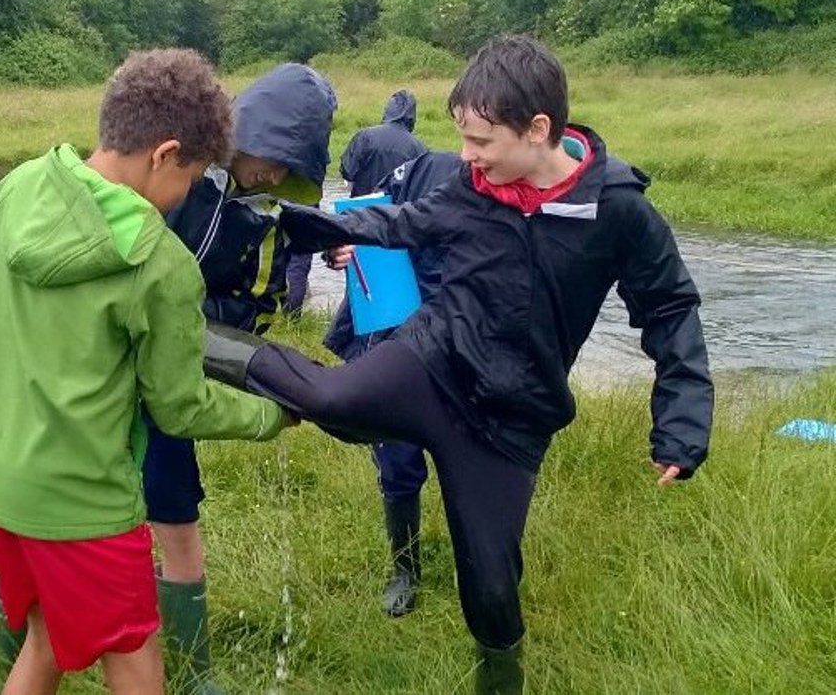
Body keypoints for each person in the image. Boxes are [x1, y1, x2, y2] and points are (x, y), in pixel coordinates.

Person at [204, 34, 714, 694]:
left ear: (538, 129)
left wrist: (682, 417)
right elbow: (403, 224)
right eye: (463, 139)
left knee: (492, 593)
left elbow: (670, 308)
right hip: (433, 359)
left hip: (510, 418)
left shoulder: (616, 210)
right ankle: (198, 341)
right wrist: (304, 221)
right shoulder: (472, 185)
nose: (466, 157)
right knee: (331, 401)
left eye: (481, 142)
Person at [0, 48, 294, 695]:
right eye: (190, 178)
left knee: (48, 634)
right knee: (135, 659)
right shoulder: (159, 264)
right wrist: (273, 413)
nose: (185, 195)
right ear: (164, 154)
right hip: (82, 507)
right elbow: (180, 407)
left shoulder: (17, 186)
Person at [141, 62, 337, 693]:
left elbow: (264, 296)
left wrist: (337, 240)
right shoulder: (174, 177)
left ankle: (193, 674)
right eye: (270, 157)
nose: (273, 175)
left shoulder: (269, 212)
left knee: (177, 518)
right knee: (72, 528)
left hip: (181, 371)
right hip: (109, 371)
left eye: (290, 168)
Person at [323, 151, 461, 617]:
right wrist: (341, 249)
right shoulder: (406, 184)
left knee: (468, 460)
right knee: (398, 459)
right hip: (397, 341)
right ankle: (405, 569)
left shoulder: (487, 198)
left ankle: (480, 565)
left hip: (463, 349)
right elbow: (357, 235)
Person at [339, 89, 428, 197]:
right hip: (398, 210)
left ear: (388, 110)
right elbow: (421, 187)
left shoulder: (365, 136)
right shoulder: (419, 148)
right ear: (412, 115)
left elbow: (347, 172)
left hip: (362, 208)